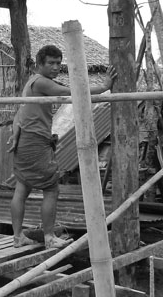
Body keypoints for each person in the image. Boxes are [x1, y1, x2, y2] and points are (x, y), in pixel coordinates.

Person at [9, 45, 116, 249]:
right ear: (39, 64)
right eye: (51, 63)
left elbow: (19, 112)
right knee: (50, 188)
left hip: (26, 140)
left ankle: (18, 237)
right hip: (35, 142)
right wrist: (104, 87)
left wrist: (16, 133)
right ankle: (49, 237)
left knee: (22, 187)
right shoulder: (41, 82)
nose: (56, 67)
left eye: (59, 63)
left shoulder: (32, 82)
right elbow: (72, 92)